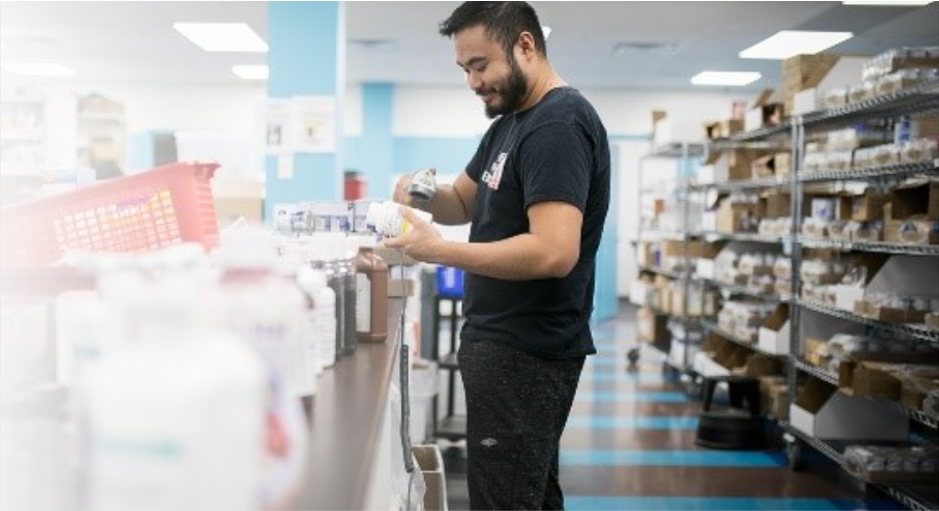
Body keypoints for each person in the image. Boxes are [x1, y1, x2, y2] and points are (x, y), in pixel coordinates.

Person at [385, 1, 610, 510]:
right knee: (527, 492)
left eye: (480, 64)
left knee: (506, 499)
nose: (472, 81)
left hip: (527, 349)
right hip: (502, 342)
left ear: (525, 45)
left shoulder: (557, 125)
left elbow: (554, 252)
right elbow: (463, 201)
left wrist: (441, 252)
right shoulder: (509, 124)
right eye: (465, 68)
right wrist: (420, 191)